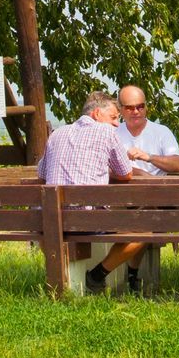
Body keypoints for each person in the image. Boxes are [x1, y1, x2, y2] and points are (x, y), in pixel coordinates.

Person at [38, 90, 143, 295]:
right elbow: (126, 173)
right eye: (113, 118)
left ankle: (60, 279)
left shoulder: (57, 133)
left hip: (51, 218)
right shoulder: (106, 133)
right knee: (144, 230)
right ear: (96, 114)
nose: (116, 124)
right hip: (87, 219)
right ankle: (97, 276)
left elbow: (42, 173)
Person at [115, 84, 179, 176]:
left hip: (155, 189)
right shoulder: (113, 133)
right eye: (130, 108)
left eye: (140, 106)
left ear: (146, 107)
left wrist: (149, 157)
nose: (136, 111)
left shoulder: (162, 132)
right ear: (120, 109)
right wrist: (140, 173)